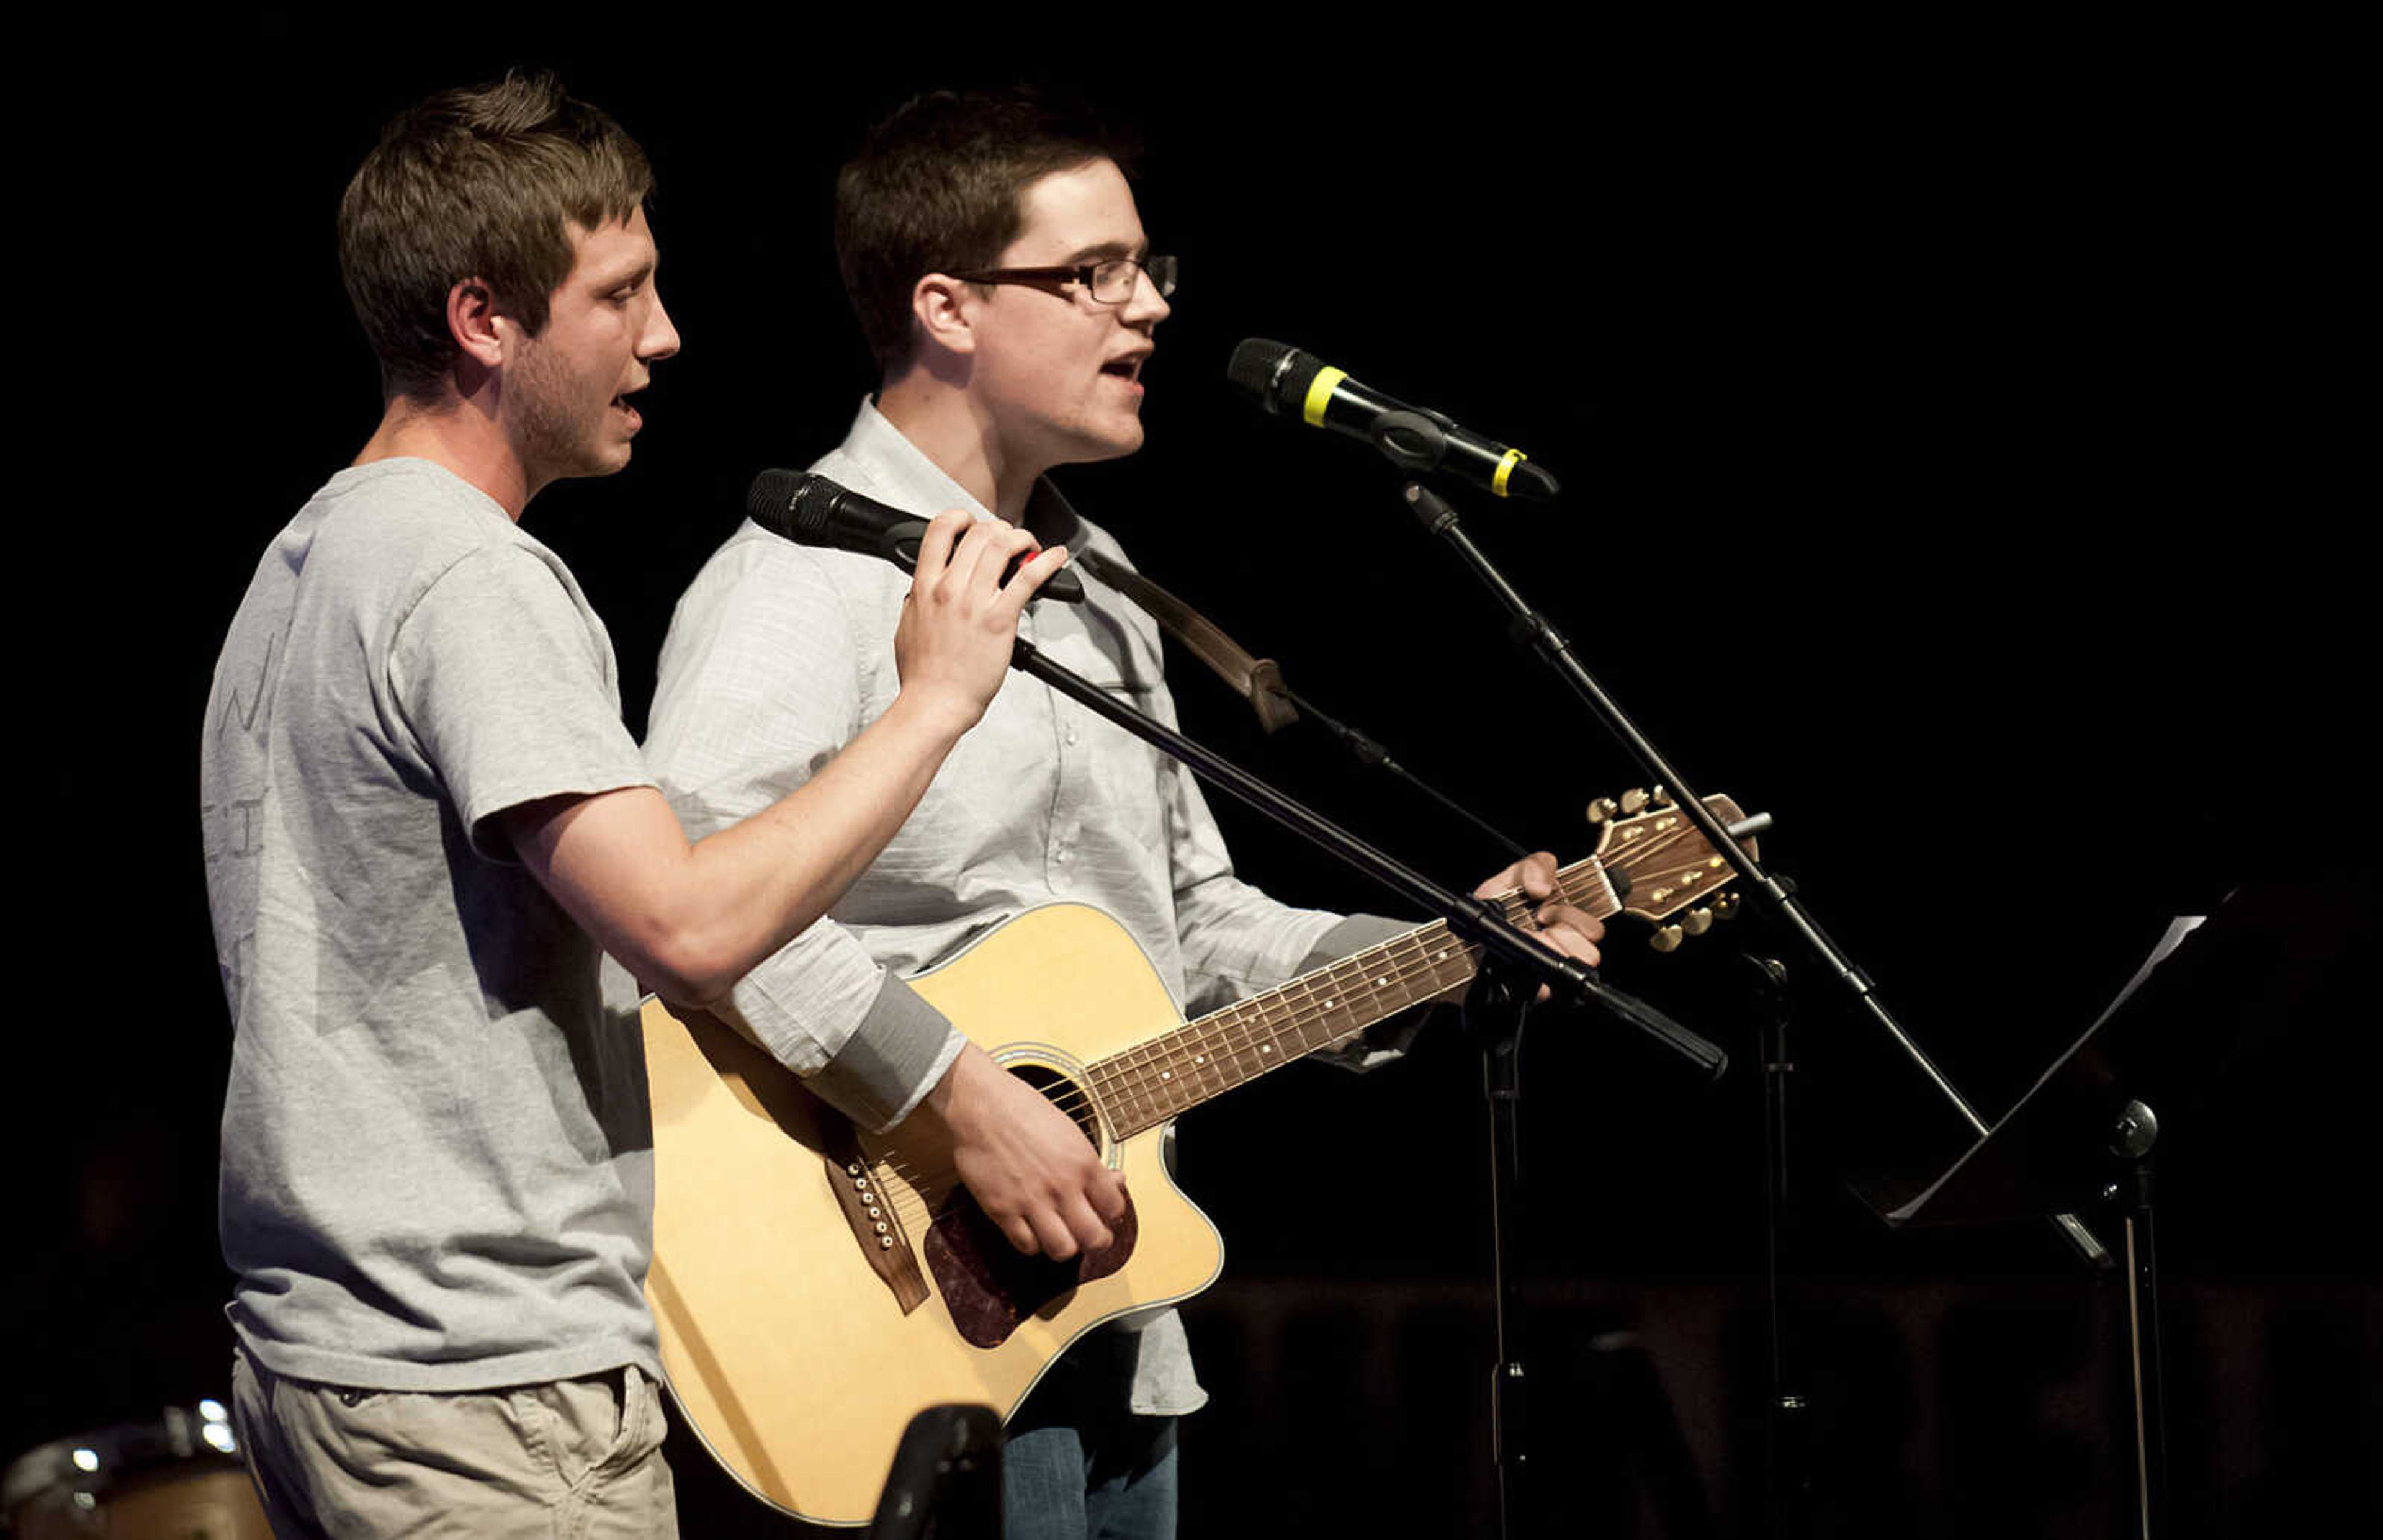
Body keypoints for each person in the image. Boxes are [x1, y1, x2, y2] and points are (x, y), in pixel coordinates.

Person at [639, 88, 1604, 1538]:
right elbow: (692, 917)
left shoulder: (1100, 593)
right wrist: (957, 1097)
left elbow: (1194, 930)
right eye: (1094, 274)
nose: (1146, 307)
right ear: (948, 307)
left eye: (1149, 267)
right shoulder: (796, 586)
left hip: (1103, 1312)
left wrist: (1449, 942)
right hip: (882, 1334)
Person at [199, 74, 1090, 1539]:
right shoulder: (467, 575)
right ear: (486, 319)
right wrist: (934, 700)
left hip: (346, 1363)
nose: (665, 336)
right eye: (619, 295)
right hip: (483, 1384)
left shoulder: (308, 558)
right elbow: (686, 925)